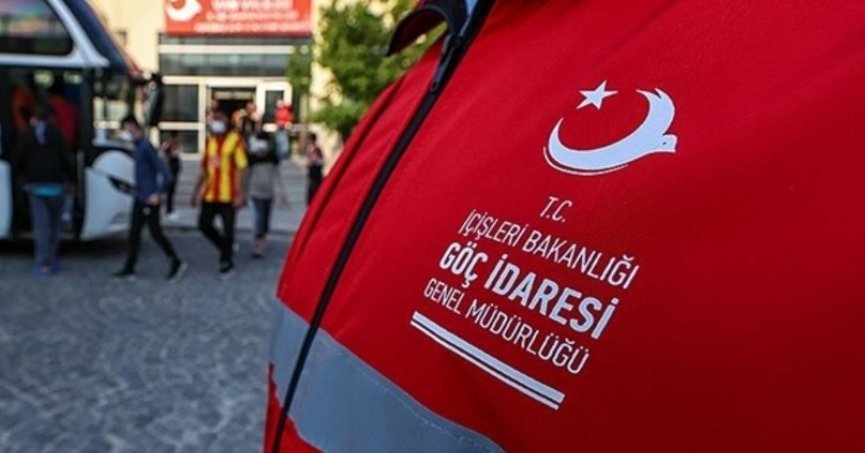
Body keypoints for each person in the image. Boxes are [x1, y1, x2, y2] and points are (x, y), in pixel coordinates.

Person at [113, 114, 186, 281]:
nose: (124, 132)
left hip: (149, 198)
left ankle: (176, 262)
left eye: (125, 128)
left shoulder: (145, 146)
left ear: (133, 126)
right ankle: (129, 267)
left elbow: (165, 173)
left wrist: (158, 193)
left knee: (156, 233)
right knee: (134, 233)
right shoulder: (138, 146)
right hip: (140, 196)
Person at [11, 106, 73, 276]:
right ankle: (52, 258)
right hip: (57, 187)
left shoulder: (26, 136)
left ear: (35, 118)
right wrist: (71, 180)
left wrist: (18, 178)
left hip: (36, 187)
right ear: (51, 119)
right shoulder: (59, 136)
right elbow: (66, 161)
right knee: (54, 226)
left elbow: (18, 161)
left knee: (41, 226)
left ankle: (43, 263)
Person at [192, 110, 248, 278]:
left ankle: (227, 262)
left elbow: (242, 168)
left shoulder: (235, 140)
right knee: (204, 224)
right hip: (210, 194)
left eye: (220, 119)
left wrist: (241, 194)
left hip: (228, 195)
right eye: (214, 119)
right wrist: (195, 191)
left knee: (229, 229)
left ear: (227, 121)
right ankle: (225, 247)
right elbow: (204, 169)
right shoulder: (209, 142)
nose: (216, 122)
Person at [245, 131, 288, 258]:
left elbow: (278, 175)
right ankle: (258, 244)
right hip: (255, 193)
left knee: (265, 218)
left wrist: (282, 193)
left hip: (269, 193)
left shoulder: (272, 157)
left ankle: (262, 240)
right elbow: (247, 175)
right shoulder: (252, 157)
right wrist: (244, 192)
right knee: (258, 218)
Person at [160, 131, 182, 221]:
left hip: (174, 169)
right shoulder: (168, 145)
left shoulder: (175, 145)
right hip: (171, 169)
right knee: (169, 191)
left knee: (172, 191)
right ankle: (168, 210)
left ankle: (170, 209)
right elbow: (168, 155)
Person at [305, 132, 324, 205]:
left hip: (316, 170)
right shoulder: (309, 149)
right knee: (311, 186)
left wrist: (314, 162)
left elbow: (321, 160)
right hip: (312, 170)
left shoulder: (317, 149)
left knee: (316, 186)